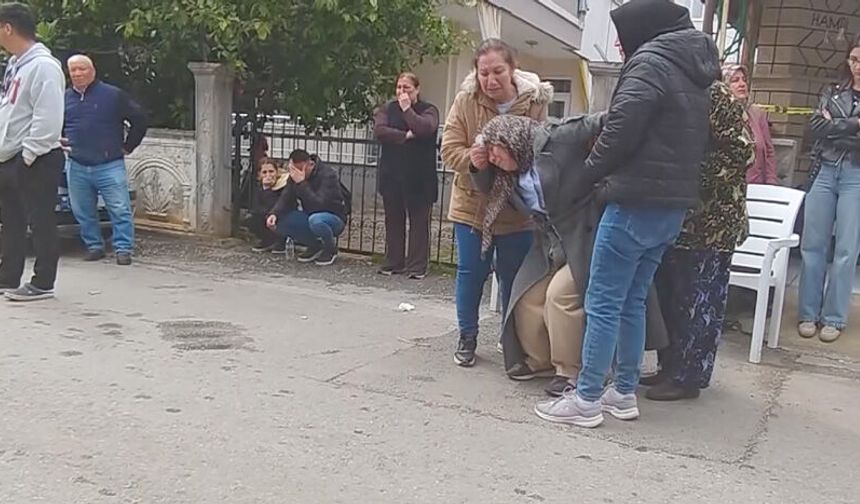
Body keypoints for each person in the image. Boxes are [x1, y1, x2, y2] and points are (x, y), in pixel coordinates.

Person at [533, 0, 720, 428]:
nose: (618, 45)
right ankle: (623, 393)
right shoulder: (692, 68)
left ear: (641, 29)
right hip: (670, 206)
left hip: (634, 200)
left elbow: (618, 131)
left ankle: (586, 398)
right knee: (633, 299)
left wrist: (585, 177)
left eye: (621, 35)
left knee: (602, 301)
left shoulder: (650, 63)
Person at [440, 38, 552, 367]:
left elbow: (544, 150)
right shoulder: (465, 101)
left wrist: (515, 161)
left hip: (517, 210)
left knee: (513, 277)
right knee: (471, 273)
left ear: (512, 69)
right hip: (472, 207)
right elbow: (449, 149)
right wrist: (474, 160)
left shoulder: (534, 101)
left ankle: (512, 341)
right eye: (483, 72)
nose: (490, 80)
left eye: (498, 72)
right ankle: (467, 336)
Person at [648, 81, 754, 401]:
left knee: (700, 301)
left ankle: (688, 377)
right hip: (681, 218)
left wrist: (689, 174)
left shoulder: (716, 94)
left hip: (713, 222)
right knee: (673, 296)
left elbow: (743, 150)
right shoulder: (675, 90)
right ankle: (669, 367)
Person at [0, 3, 66, 302]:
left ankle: (42, 282)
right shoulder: (17, 65)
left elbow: (47, 118)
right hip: (10, 156)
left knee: (40, 221)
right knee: (11, 220)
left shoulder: (43, 66)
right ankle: (9, 274)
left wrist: (28, 155)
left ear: (8, 28)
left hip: (34, 158)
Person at [798, 39, 860, 344]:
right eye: (853, 59)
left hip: (856, 173)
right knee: (813, 243)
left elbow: (829, 128)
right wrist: (854, 125)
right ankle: (808, 313)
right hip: (824, 169)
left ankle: (834, 317)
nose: (857, 65)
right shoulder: (833, 91)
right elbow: (814, 127)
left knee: (847, 248)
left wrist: (835, 125)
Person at [63, 54, 148, 266]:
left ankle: (123, 248)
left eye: (82, 69)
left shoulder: (112, 95)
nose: (77, 73)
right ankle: (94, 246)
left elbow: (139, 119)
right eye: (73, 70)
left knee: (119, 208)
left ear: (92, 71)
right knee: (82, 210)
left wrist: (128, 146)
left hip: (109, 164)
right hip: (77, 163)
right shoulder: (64, 98)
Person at [373, 72, 440, 279]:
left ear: (417, 90)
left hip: (419, 177)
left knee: (419, 223)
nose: (401, 92)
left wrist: (407, 110)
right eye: (399, 87)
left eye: (407, 88)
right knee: (393, 220)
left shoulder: (428, 110)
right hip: (392, 174)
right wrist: (404, 136)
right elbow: (380, 130)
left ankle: (417, 266)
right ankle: (394, 261)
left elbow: (424, 128)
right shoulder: (387, 109)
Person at [266, 149, 347, 266]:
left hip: (333, 218)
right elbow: (285, 198)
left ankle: (330, 250)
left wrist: (302, 184)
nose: (296, 173)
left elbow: (320, 204)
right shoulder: (294, 177)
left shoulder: (327, 175)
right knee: (280, 220)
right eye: (293, 169)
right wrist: (273, 214)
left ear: (310, 164)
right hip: (309, 216)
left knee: (316, 220)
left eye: (300, 169)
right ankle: (315, 246)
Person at [723, 64, 779, 185]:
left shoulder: (756, 113)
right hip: (729, 187)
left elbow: (769, 151)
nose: (742, 84)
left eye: (744, 80)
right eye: (735, 80)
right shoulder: (719, 115)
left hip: (757, 186)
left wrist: (771, 182)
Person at [246, 158, 288, 253]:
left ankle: (281, 241)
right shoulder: (259, 188)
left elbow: (277, 205)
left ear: (276, 172)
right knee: (253, 218)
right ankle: (267, 241)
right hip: (265, 214)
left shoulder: (283, 186)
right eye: (264, 172)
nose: (268, 175)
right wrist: (266, 189)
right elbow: (256, 206)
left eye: (271, 171)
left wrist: (269, 190)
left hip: (281, 216)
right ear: (259, 175)